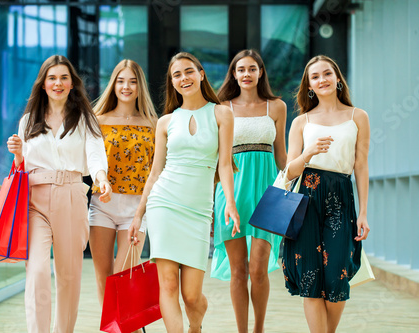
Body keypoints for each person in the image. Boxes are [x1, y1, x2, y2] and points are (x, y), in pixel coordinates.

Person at [128, 52, 240, 333]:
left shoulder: (221, 114)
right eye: (176, 75)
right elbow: (155, 172)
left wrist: (230, 203)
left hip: (198, 210)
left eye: (188, 71)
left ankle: (196, 326)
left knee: (191, 295)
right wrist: (139, 215)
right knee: (167, 285)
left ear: (201, 74)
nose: (183, 78)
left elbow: (225, 164)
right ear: (172, 83)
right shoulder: (166, 122)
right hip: (163, 204)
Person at [6, 55, 111, 333]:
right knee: (38, 271)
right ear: (42, 84)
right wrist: (17, 155)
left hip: (71, 197)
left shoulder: (86, 118)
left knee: (68, 276)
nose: (58, 83)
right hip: (35, 200)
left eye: (64, 77)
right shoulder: (28, 121)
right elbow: (22, 167)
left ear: (72, 83)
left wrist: (102, 178)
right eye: (52, 77)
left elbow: (95, 154)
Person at [282, 55, 370, 333]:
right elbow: (289, 171)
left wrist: (364, 212)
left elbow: (361, 165)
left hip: (341, 198)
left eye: (327, 74)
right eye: (315, 76)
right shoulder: (301, 122)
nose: (322, 80)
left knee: (337, 277)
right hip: (305, 198)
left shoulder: (358, 116)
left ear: (338, 78)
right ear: (309, 85)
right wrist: (308, 153)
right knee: (310, 279)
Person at [211, 49, 287, 333]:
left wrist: (297, 188)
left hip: (268, 193)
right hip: (231, 195)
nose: (246, 74)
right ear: (233, 74)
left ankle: (258, 328)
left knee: (258, 269)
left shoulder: (276, 107)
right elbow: (217, 160)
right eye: (240, 69)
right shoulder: (221, 107)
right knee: (238, 271)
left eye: (252, 69)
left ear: (260, 73)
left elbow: (282, 157)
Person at [88, 60, 157, 323]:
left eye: (132, 81)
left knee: (123, 274)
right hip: (101, 206)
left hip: (136, 209)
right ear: (113, 84)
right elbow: (89, 161)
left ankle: (124, 325)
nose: (126, 86)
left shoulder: (153, 123)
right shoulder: (97, 120)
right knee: (103, 276)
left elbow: (157, 169)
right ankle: (114, 328)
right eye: (120, 80)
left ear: (140, 86)